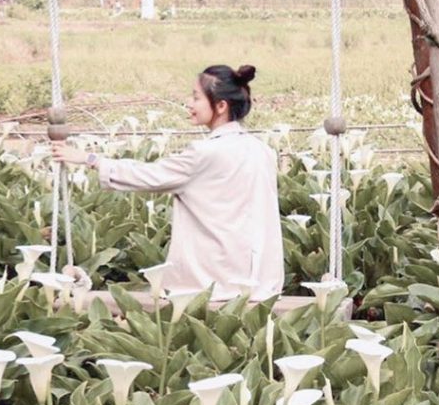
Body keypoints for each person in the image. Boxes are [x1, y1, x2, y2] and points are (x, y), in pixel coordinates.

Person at [51, 64, 284, 302]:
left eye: (196, 98)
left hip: (216, 282)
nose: (189, 105)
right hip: (259, 281)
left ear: (221, 106)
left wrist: (90, 159)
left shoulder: (205, 153)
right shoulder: (262, 150)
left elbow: (148, 175)